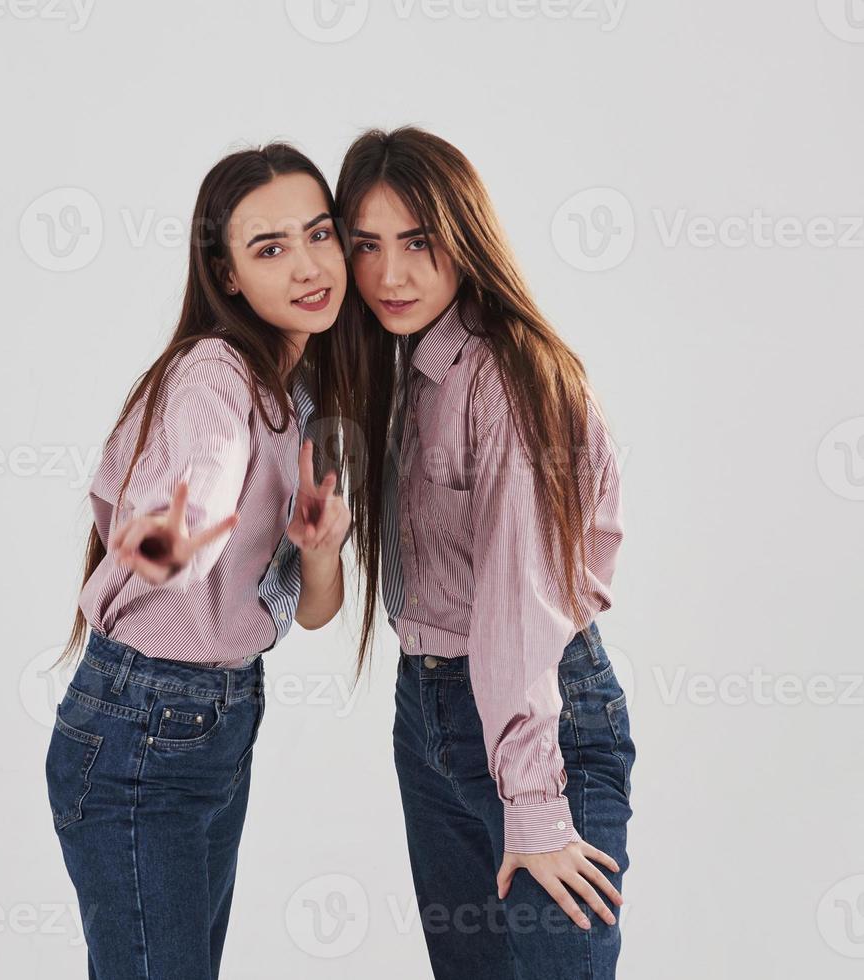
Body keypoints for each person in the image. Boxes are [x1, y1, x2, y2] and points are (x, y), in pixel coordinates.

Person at [44, 143, 355, 980]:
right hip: (143, 724)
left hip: (216, 721)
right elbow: (187, 513)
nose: (306, 266)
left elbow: (314, 608)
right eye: (269, 249)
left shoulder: (306, 398)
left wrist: (319, 549)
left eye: (318, 235)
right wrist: (175, 537)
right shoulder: (214, 375)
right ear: (225, 276)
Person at [336, 126, 636, 979]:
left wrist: (535, 808)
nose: (389, 275)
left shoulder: (505, 377)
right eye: (366, 245)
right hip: (428, 714)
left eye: (418, 243)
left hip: (538, 721)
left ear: (464, 238)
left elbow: (518, 606)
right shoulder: (398, 368)